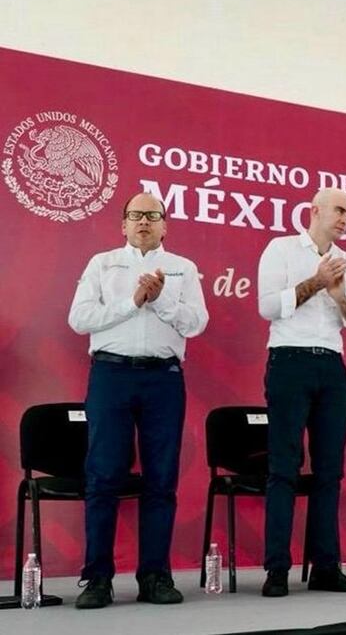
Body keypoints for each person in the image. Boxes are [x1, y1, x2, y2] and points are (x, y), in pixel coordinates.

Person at [68, 192, 209, 609]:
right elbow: (79, 319)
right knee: (103, 477)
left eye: (152, 215)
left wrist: (161, 298)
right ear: (123, 224)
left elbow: (197, 323)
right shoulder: (102, 263)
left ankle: (155, 576)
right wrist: (133, 301)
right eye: (135, 215)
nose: (144, 221)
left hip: (163, 379)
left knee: (161, 481)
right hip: (110, 375)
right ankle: (97, 579)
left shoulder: (183, 269)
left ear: (166, 225)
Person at [256, 187, 346, 597]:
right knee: (283, 467)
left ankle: (325, 567)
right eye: (339, 210)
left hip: (332, 366)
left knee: (330, 471)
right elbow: (268, 306)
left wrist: (340, 297)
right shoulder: (281, 248)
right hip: (288, 361)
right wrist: (316, 282)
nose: (345, 219)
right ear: (314, 211)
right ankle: (276, 570)